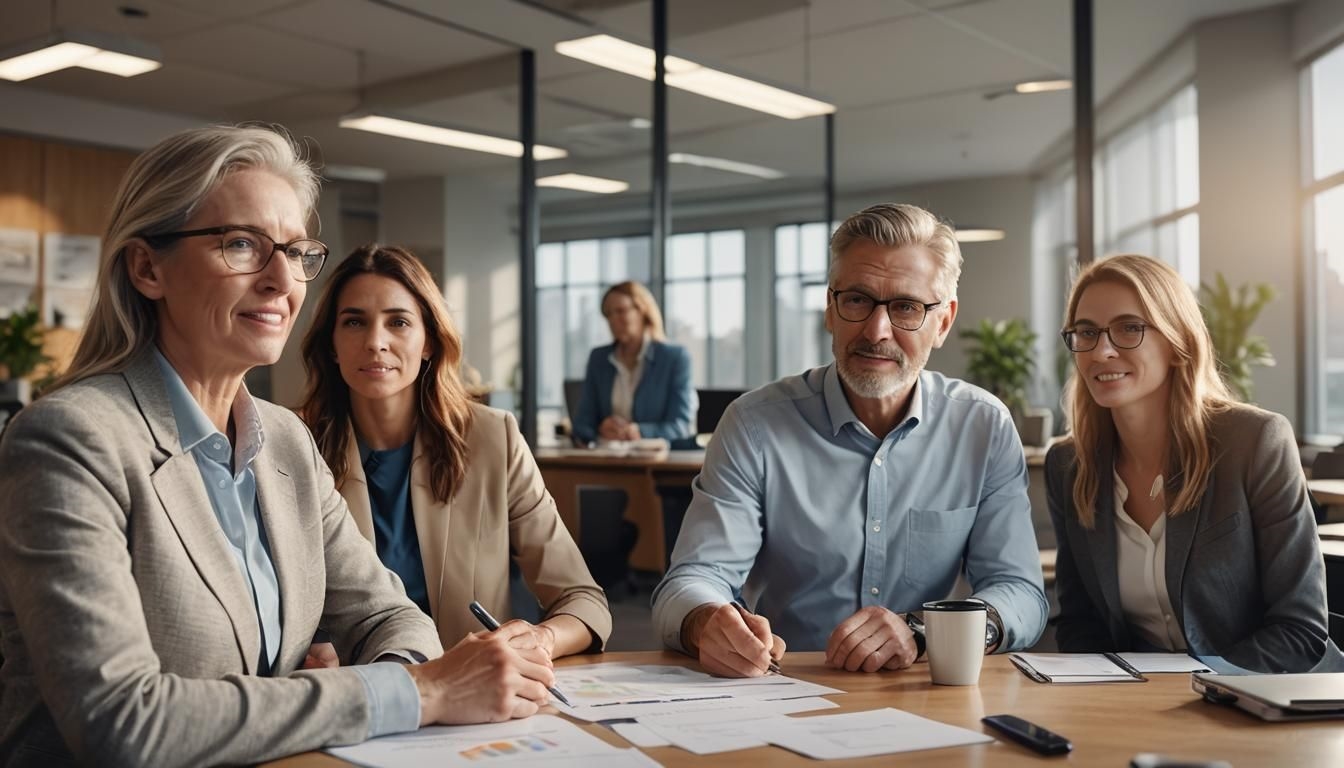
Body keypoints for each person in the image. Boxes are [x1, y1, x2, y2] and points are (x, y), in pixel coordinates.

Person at [0, 125, 555, 768]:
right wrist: (404, 690)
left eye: (295, 253)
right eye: (242, 245)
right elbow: (122, 721)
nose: (281, 280)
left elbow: (392, 619)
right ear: (148, 267)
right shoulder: (69, 440)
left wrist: (368, 686)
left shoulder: (284, 438)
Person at [651, 203, 1047, 678]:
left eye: (906, 307)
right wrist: (706, 622)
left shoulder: (982, 427)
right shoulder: (755, 424)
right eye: (857, 300)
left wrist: (923, 631)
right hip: (786, 688)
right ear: (830, 309)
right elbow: (692, 580)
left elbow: (1019, 591)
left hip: (927, 691)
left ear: (942, 322)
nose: (876, 331)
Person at [298, 244, 611, 660]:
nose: (376, 342)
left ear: (428, 340)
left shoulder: (493, 439)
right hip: (359, 698)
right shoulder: (291, 445)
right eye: (354, 322)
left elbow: (583, 599)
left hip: (479, 699)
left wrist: (541, 640)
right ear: (332, 344)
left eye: (398, 322)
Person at [1047, 254, 1343, 673]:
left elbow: (1300, 630)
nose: (1103, 350)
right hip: (1145, 710)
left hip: (1275, 701)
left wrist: (1192, 692)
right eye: (1086, 332)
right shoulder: (1070, 465)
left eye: (1130, 328)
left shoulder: (1254, 441)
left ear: (1177, 341)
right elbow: (1081, 624)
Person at [572, 281, 694, 445]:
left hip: (655, 463)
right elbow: (581, 424)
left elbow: (680, 427)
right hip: (606, 458)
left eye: (621, 311)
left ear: (642, 311)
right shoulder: (598, 358)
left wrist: (639, 431)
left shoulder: (675, 358)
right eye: (608, 314)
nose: (613, 320)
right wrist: (600, 428)